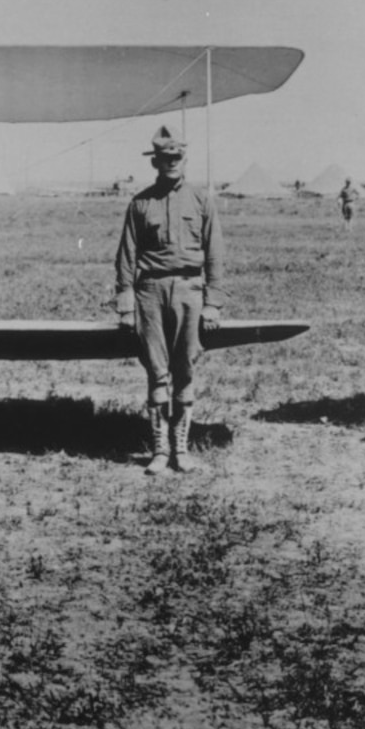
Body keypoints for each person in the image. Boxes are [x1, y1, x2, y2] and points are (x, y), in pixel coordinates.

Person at [115, 126, 222, 475]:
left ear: (184, 160)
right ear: (156, 163)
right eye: (165, 159)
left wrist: (213, 302)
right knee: (157, 371)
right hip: (150, 293)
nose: (171, 164)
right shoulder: (141, 203)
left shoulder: (202, 199)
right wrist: (126, 302)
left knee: (186, 368)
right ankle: (160, 451)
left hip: (190, 292)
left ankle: (181, 451)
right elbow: (127, 255)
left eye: (177, 158)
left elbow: (214, 253)